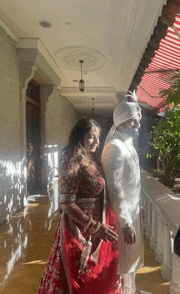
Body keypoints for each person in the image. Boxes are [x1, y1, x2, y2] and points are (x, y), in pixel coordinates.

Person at [38, 117, 122, 294]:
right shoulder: (71, 158)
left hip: (97, 230)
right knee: (76, 275)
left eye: (98, 137)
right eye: (91, 136)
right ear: (80, 136)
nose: (97, 142)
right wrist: (95, 226)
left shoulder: (91, 159)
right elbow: (67, 203)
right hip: (79, 229)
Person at [101, 91, 151, 294]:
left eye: (137, 120)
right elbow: (115, 190)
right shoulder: (114, 148)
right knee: (124, 262)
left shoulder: (126, 143)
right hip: (122, 220)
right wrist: (126, 223)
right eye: (132, 121)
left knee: (132, 260)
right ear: (120, 123)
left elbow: (131, 183)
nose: (137, 125)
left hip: (132, 214)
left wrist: (137, 211)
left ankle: (132, 291)